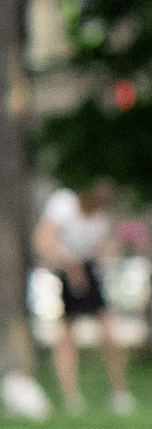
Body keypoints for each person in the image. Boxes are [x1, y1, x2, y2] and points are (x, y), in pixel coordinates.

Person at [33, 176, 136, 415]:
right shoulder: (63, 204)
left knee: (110, 332)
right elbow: (43, 241)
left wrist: (109, 251)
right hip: (64, 269)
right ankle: (72, 396)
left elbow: (96, 249)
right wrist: (69, 265)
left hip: (87, 269)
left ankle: (119, 393)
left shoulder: (100, 221)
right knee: (67, 332)